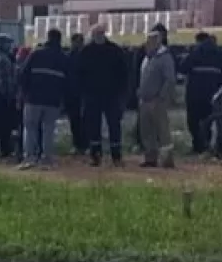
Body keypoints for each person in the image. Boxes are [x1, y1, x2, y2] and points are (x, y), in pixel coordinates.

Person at [18, 28, 71, 169]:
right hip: (53, 101)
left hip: (33, 99)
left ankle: (30, 157)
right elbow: (68, 81)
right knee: (48, 129)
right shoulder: (64, 58)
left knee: (30, 128)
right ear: (60, 40)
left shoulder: (36, 54)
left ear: (47, 38)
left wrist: (24, 93)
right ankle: (47, 158)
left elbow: (23, 75)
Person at [77, 23, 129, 166]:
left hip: (109, 95)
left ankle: (115, 155)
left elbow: (123, 74)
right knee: (95, 126)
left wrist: (122, 93)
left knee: (113, 125)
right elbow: (79, 74)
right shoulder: (89, 51)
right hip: (94, 95)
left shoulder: (111, 50)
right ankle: (96, 155)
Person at [181, 31, 222, 154]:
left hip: (195, 91)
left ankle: (198, 146)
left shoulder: (196, 51)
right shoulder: (220, 53)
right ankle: (206, 143)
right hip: (212, 91)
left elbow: (184, 67)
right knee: (208, 118)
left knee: (194, 120)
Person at [138, 30, 176, 168]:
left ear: (157, 42)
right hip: (144, 100)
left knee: (162, 130)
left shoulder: (165, 58)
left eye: (150, 41)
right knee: (147, 131)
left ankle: (167, 159)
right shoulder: (148, 58)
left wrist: (161, 97)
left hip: (157, 100)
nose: (147, 44)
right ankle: (150, 157)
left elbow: (170, 79)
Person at [65, 32, 87, 154]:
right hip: (72, 93)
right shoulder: (69, 56)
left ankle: (84, 143)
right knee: (74, 120)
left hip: (83, 93)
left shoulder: (86, 56)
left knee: (84, 120)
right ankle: (77, 143)